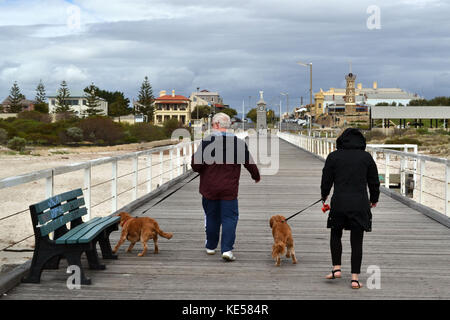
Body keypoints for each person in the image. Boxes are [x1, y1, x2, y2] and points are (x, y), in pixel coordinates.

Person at [191, 113, 260, 261]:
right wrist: (256, 176)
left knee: (211, 217)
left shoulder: (206, 142)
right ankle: (227, 250)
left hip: (209, 188)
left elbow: (195, 166)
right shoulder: (238, 143)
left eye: (212, 124)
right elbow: (249, 163)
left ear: (216, 125)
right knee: (229, 218)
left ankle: (210, 246)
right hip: (229, 188)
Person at [320, 128, 380, 289]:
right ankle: (354, 279)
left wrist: (324, 194)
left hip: (339, 202)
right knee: (357, 241)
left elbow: (326, 178)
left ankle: (336, 269)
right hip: (359, 203)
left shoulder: (333, 156)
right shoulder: (366, 157)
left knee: (335, 234)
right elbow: (374, 181)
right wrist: (374, 199)